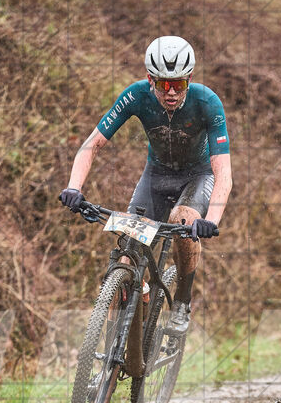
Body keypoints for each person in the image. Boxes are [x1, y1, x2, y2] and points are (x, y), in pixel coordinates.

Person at [60, 36, 233, 335]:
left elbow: (223, 173)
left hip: (197, 176)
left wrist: (211, 220)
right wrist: (74, 187)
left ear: (189, 79)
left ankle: (181, 302)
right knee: (128, 253)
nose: (170, 92)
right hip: (156, 176)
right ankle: (123, 344)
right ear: (149, 79)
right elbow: (92, 145)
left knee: (183, 219)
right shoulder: (135, 96)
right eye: (162, 84)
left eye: (178, 84)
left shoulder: (207, 102)